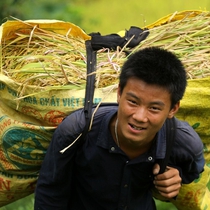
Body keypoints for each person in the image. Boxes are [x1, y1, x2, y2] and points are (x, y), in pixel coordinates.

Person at [34, 47, 205, 210]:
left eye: (154, 108)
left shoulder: (184, 142)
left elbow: (195, 169)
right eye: (133, 102)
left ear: (173, 109)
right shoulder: (77, 130)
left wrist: (178, 175)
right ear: (119, 93)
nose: (139, 116)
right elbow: (50, 194)